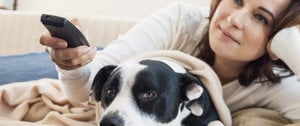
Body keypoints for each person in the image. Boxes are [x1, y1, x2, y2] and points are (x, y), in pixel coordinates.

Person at [40, 0, 300, 125]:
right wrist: (72, 64)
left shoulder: (279, 86)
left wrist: (292, 44)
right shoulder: (180, 21)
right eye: (237, 0)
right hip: (103, 69)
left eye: (261, 18)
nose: (235, 20)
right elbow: (84, 91)